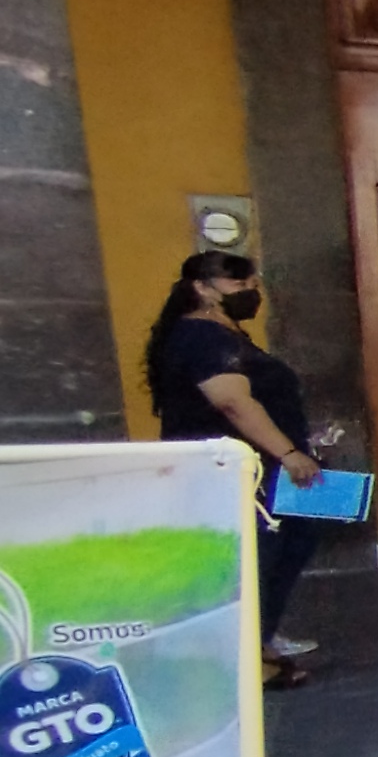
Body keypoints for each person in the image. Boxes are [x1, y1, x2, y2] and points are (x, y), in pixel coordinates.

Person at [144, 251, 331, 689]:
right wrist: (288, 453)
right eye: (239, 286)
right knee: (254, 559)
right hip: (240, 470)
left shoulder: (226, 334)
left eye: (253, 285)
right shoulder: (202, 339)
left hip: (266, 465)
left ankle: (258, 640)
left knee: (293, 544)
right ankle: (243, 659)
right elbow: (232, 401)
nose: (251, 294)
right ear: (203, 288)